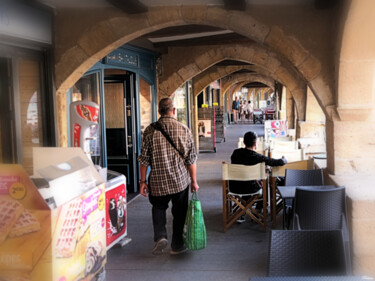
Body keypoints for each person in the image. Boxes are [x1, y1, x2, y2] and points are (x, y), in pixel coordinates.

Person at [138, 98, 199, 255]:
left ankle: (160, 236)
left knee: (158, 207)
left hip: (158, 181)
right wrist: (194, 181)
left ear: (159, 111)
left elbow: (144, 160)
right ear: (174, 110)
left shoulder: (150, 131)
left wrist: (142, 181)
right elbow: (191, 160)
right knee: (179, 213)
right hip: (179, 181)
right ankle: (177, 246)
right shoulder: (184, 129)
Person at [230, 131, 286, 222]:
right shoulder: (257, 157)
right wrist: (284, 159)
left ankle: (242, 210)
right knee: (262, 183)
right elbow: (275, 162)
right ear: (255, 143)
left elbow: (241, 168)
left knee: (249, 181)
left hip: (234, 187)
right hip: (249, 188)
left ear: (244, 142)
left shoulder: (235, 153)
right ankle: (257, 211)